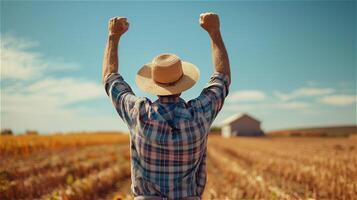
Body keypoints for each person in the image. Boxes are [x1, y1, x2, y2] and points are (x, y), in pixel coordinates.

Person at [102, 12, 231, 200]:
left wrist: (113, 37)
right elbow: (222, 75)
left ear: (154, 85)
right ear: (183, 82)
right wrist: (214, 31)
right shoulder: (200, 113)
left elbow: (110, 77)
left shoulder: (138, 113)